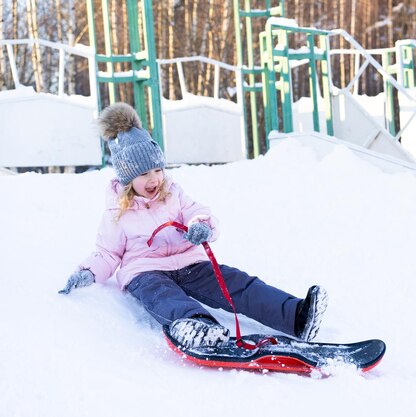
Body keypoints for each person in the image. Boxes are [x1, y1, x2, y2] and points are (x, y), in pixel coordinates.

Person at [58, 102, 328, 349]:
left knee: (237, 283)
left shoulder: (173, 193)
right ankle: (197, 326)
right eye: (143, 174)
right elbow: (107, 253)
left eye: (157, 170)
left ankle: (295, 315)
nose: (154, 179)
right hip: (145, 271)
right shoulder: (118, 211)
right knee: (164, 296)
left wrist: (201, 226)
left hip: (190, 263)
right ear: (128, 178)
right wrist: (88, 272)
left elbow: (197, 212)